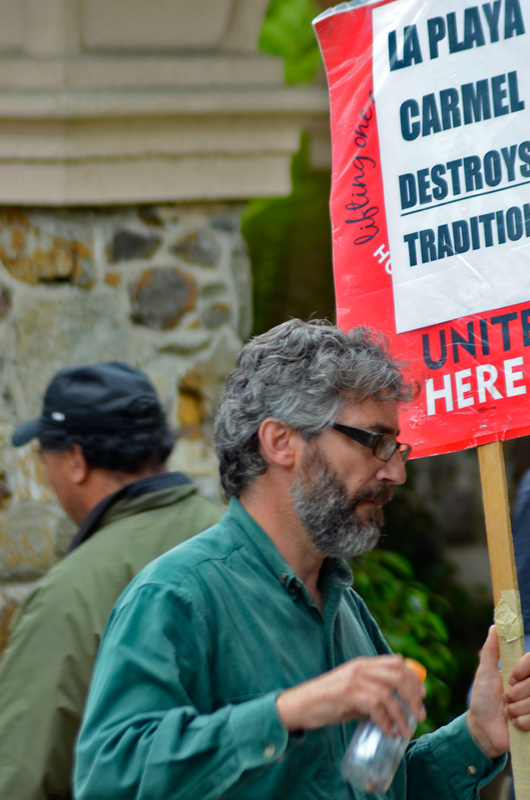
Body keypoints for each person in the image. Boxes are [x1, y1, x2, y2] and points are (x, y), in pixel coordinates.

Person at [74, 321, 530, 800]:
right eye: (375, 441)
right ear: (280, 442)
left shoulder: (344, 606)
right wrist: (288, 711)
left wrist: (477, 737)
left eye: (396, 447)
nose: (395, 470)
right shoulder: (177, 595)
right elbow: (110, 780)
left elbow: (376, 787)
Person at [0, 361, 224, 800]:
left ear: (76, 461)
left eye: (45, 458)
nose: (47, 475)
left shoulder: (66, 596)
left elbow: (23, 778)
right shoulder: (247, 540)